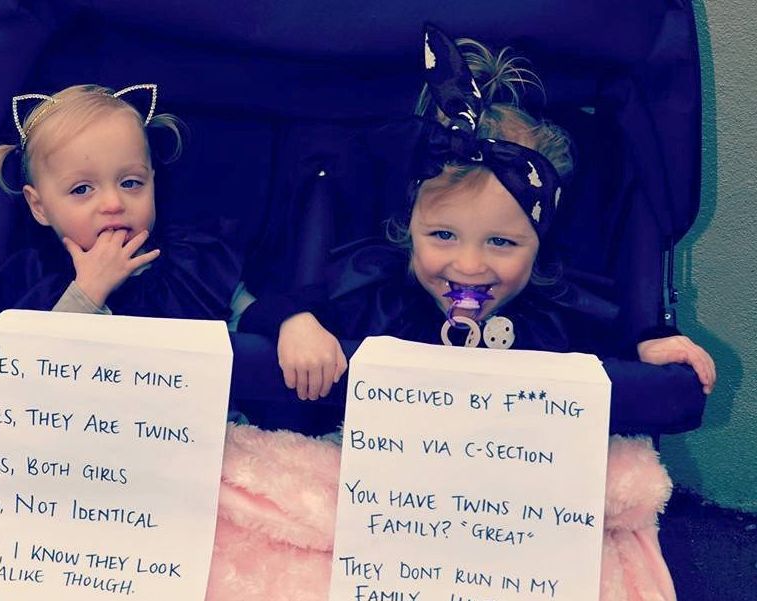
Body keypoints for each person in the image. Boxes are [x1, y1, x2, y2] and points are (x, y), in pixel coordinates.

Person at [236, 26, 716, 402]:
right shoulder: (372, 294)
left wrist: (646, 345)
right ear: (408, 228)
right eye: (443, 235)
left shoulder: (561, 314)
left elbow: (615, 341)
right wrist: (296, 323)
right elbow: (263, 306)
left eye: (501, 242)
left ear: (540, 243)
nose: (468, 266)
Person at [0, 83, 240, 319]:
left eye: (131, 183)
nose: (113, 204)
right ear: (40, 208)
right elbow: (30, 351)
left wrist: (265, 320)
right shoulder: (32, 279)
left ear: (152, 183)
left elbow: (243, 319)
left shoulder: (192, 264)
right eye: (82, 189)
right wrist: (88, 293)